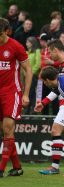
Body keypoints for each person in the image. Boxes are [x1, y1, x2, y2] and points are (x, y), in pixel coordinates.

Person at [35, 40, 64, 176]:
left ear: (56, 50)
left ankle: (55, 167)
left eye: (50, 51)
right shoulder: (60, 67)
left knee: (55, 129)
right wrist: (43, 102)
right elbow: (57, 89)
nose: (49, 55)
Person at [0, 18, 33, 178]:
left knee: (7, 129)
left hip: (11, 92)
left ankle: (1, 168)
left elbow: (28, 70)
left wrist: (25, 94)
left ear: (7, 31)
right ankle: (17, 167)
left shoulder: (15, 46)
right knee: (6, 132)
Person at [24, 36, 41, 114]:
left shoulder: (37, 51)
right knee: (29, 92)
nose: (26, 44)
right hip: (27, 75)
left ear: (32, 43)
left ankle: (30, 111)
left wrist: (31, 73)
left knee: (31, 93)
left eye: (28, 42)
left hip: (33, 75)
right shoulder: (27, 52)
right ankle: (28, 110)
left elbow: (38, 64)